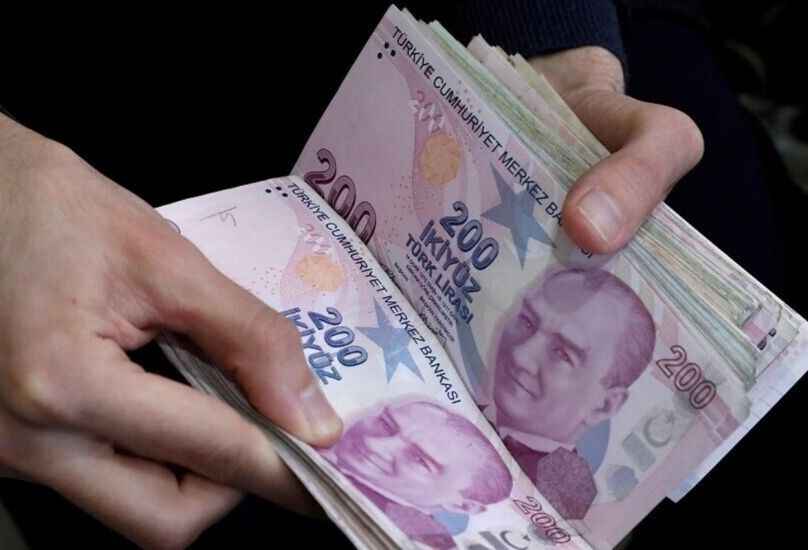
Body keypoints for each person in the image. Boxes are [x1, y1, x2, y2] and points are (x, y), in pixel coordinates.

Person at [2, 1, 801, 548]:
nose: (523, 353)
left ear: (610, 402)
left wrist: (544, 69)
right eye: (531, 327)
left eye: (563, 352)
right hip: (74, 231)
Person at [482, 266, 655, 518]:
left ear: (604, 405)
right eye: (527, 322)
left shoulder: (568, 497)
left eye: (563, 354)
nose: (520, 356)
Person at [319, 397, 513, 549]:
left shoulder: (421, 540)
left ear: (463, 506)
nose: (374, 443)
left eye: (420, 460)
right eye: (386, 425)